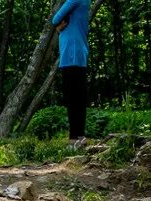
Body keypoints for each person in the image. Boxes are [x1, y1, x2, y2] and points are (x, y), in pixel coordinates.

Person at [52, 0, 90, 149]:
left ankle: (74, 139)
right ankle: (80, 136)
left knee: (72, 97)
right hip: (78, 53)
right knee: (79, 98)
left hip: (71, 54)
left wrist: (58, 27)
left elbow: (55, 19)